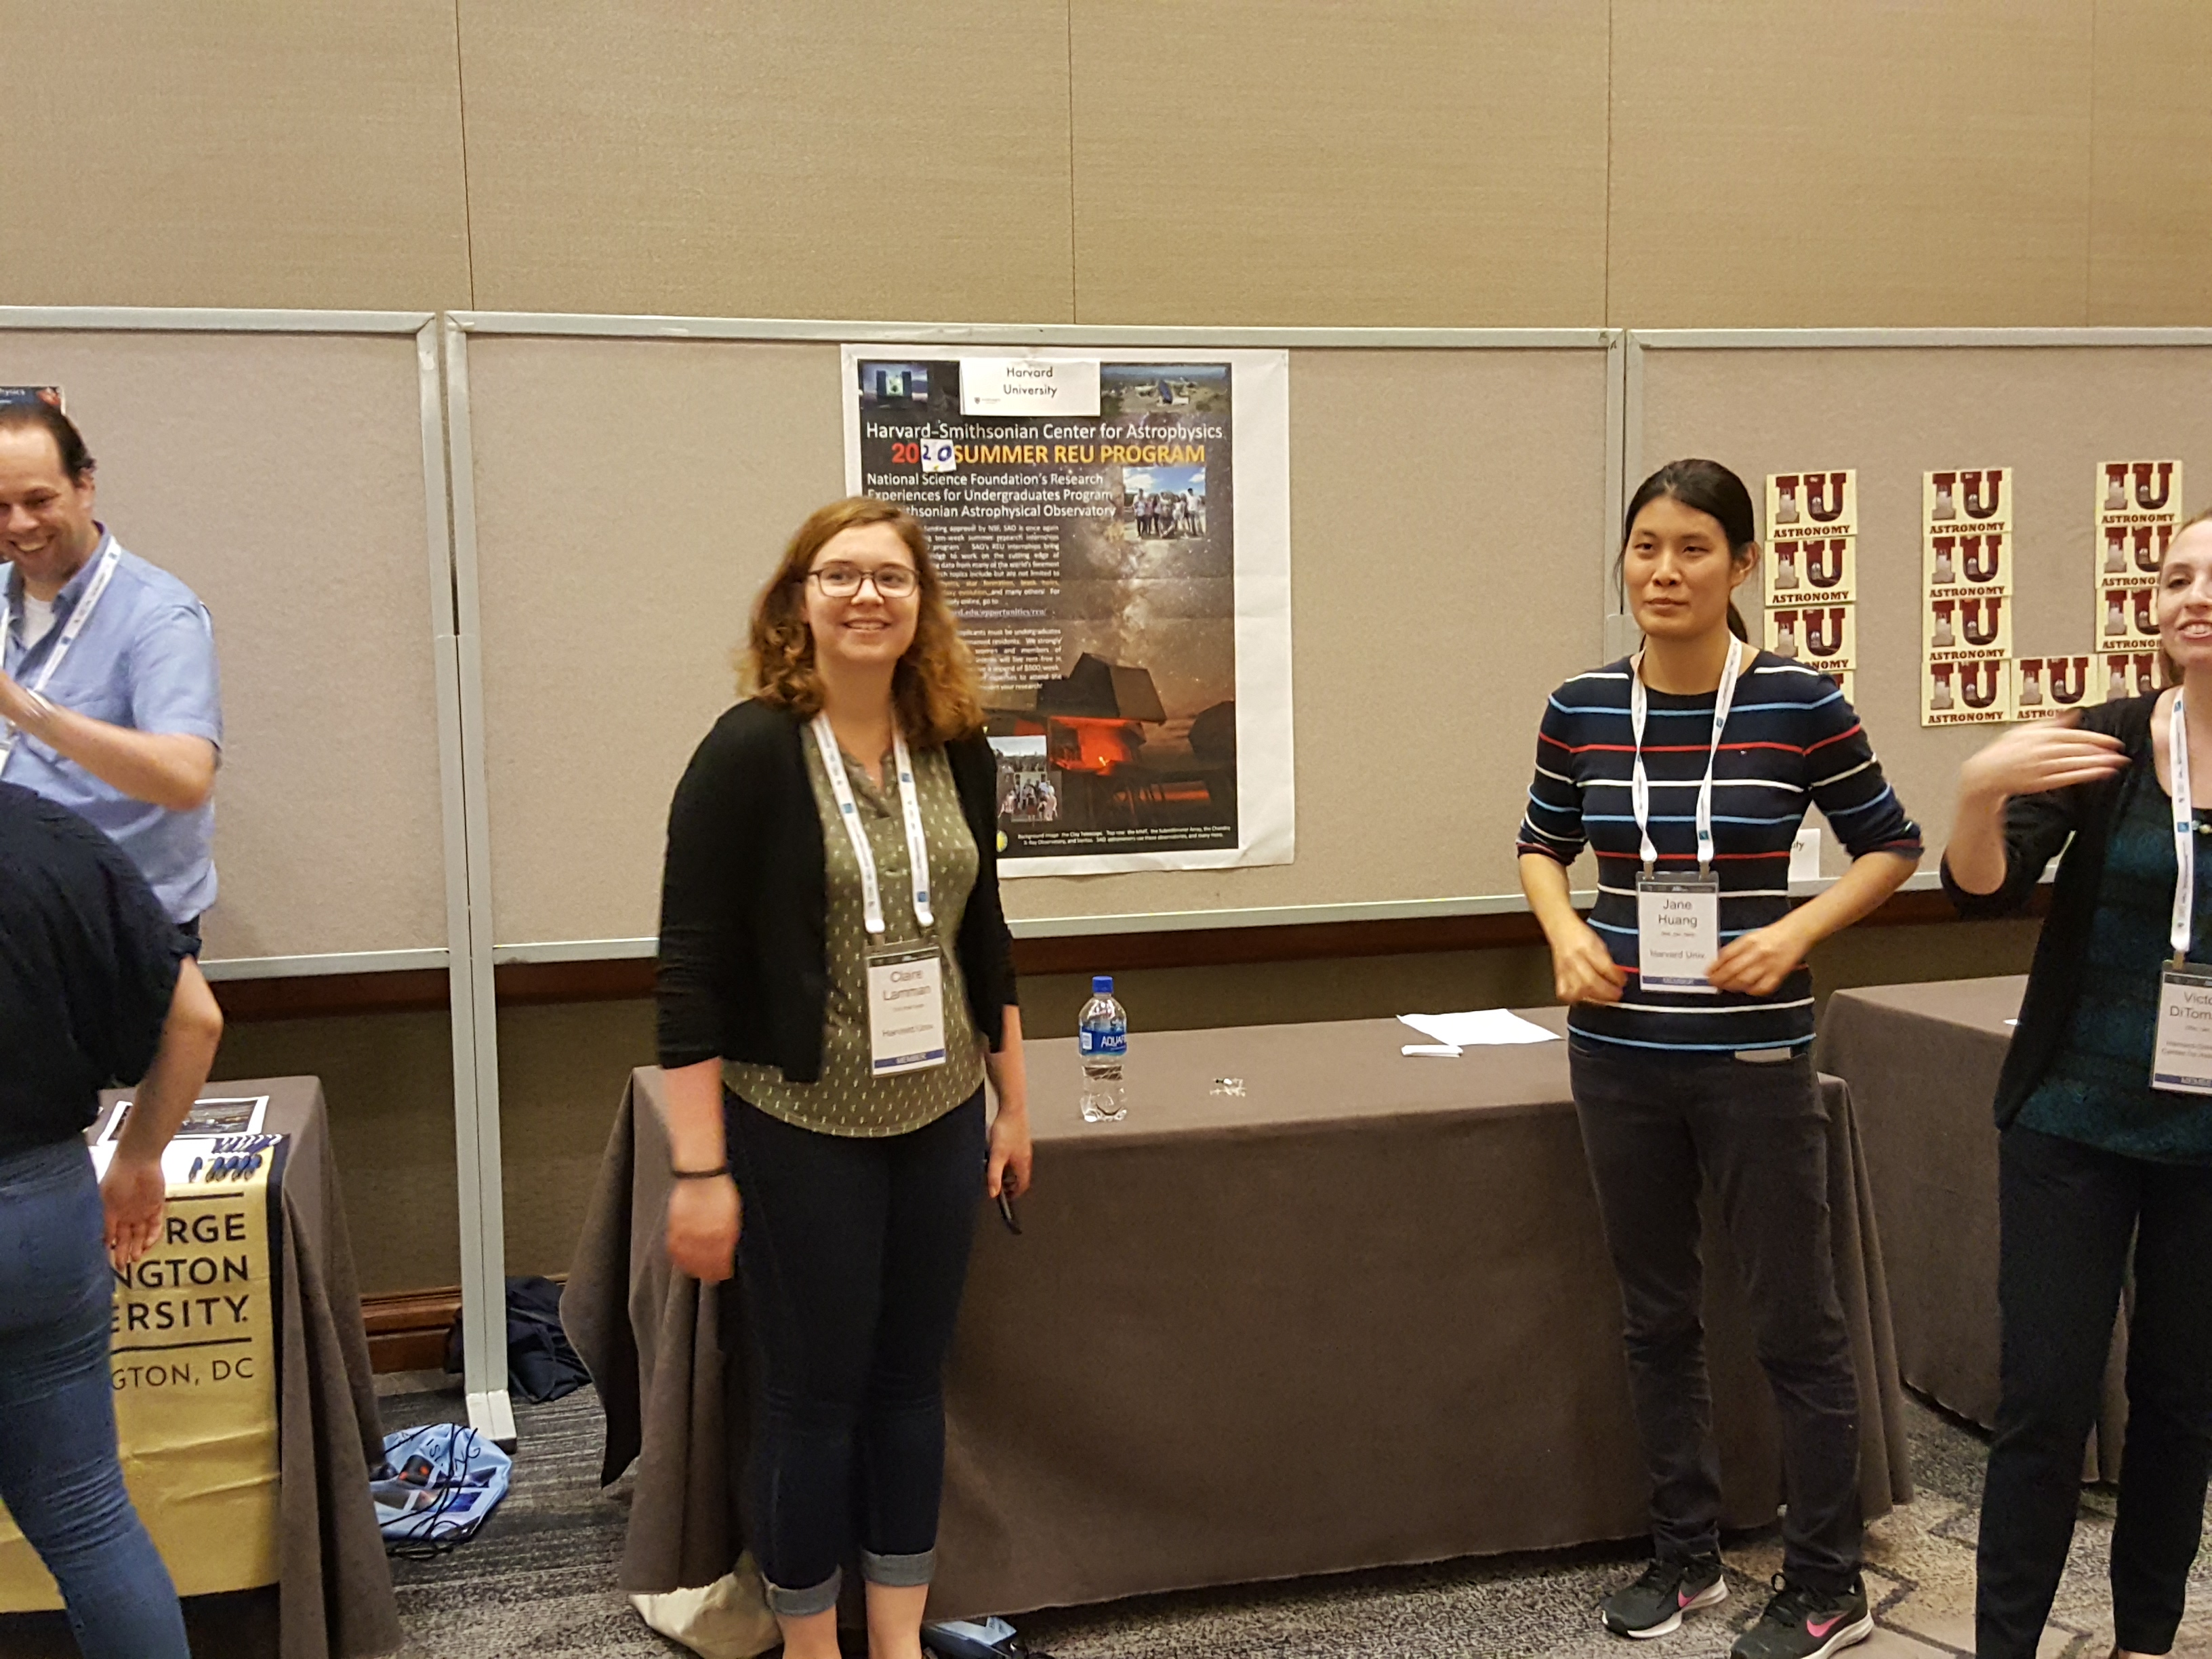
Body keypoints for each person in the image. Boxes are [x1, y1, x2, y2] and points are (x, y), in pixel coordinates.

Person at [1516, 459, 1921, 1659]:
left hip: (1752, 1052)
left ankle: (1827, 1581)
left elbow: (1890, 845)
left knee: (1794, 1322)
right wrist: (1565, 931)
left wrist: (1794, 932)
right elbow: (1540, 844)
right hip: (1618, 1051)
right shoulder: (1582, 704)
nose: (1664, 571)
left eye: (1693, 548)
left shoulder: (1799, 702)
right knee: (1654, 1317)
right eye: (1644, 546)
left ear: (1742, 565)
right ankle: (1682, 1553)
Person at [656, 497, 1032, 1659]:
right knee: (813, 1399)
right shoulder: (749, 751)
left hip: (939, 1114)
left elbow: (985, 938)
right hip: (797, 1123)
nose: (867, 595)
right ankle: (815, 1649)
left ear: (921, 605)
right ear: (799, 602)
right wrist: (699, 1170)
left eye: (891, 577)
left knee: (911, 1388)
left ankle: (898, 1639)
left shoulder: (956, 745)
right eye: (840, 575)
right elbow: (688, 972)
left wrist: (1014, 1104)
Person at [1942, 506, 2212, 1659]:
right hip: (2069, 1121)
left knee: (2180, 1403)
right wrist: (1977, 790)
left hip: (2206, 1143)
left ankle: (2144, 1638)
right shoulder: (2105, 741)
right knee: (2044, 1402)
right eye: (2175, 578)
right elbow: (1985, 891)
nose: (2193, 597)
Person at [0, 780, 225, 1658]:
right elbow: (195, 1018)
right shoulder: (49, 838)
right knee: (89, 1518)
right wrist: (138, 1158)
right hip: (44, 1216)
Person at [0, 403, 223, 954]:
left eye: (39, 500)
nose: (19, 525)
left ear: (84, 488)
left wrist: (24, 709)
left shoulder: (158, 614)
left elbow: (187, 780)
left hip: (115, 932)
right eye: (0, 507)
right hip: (15, 913)